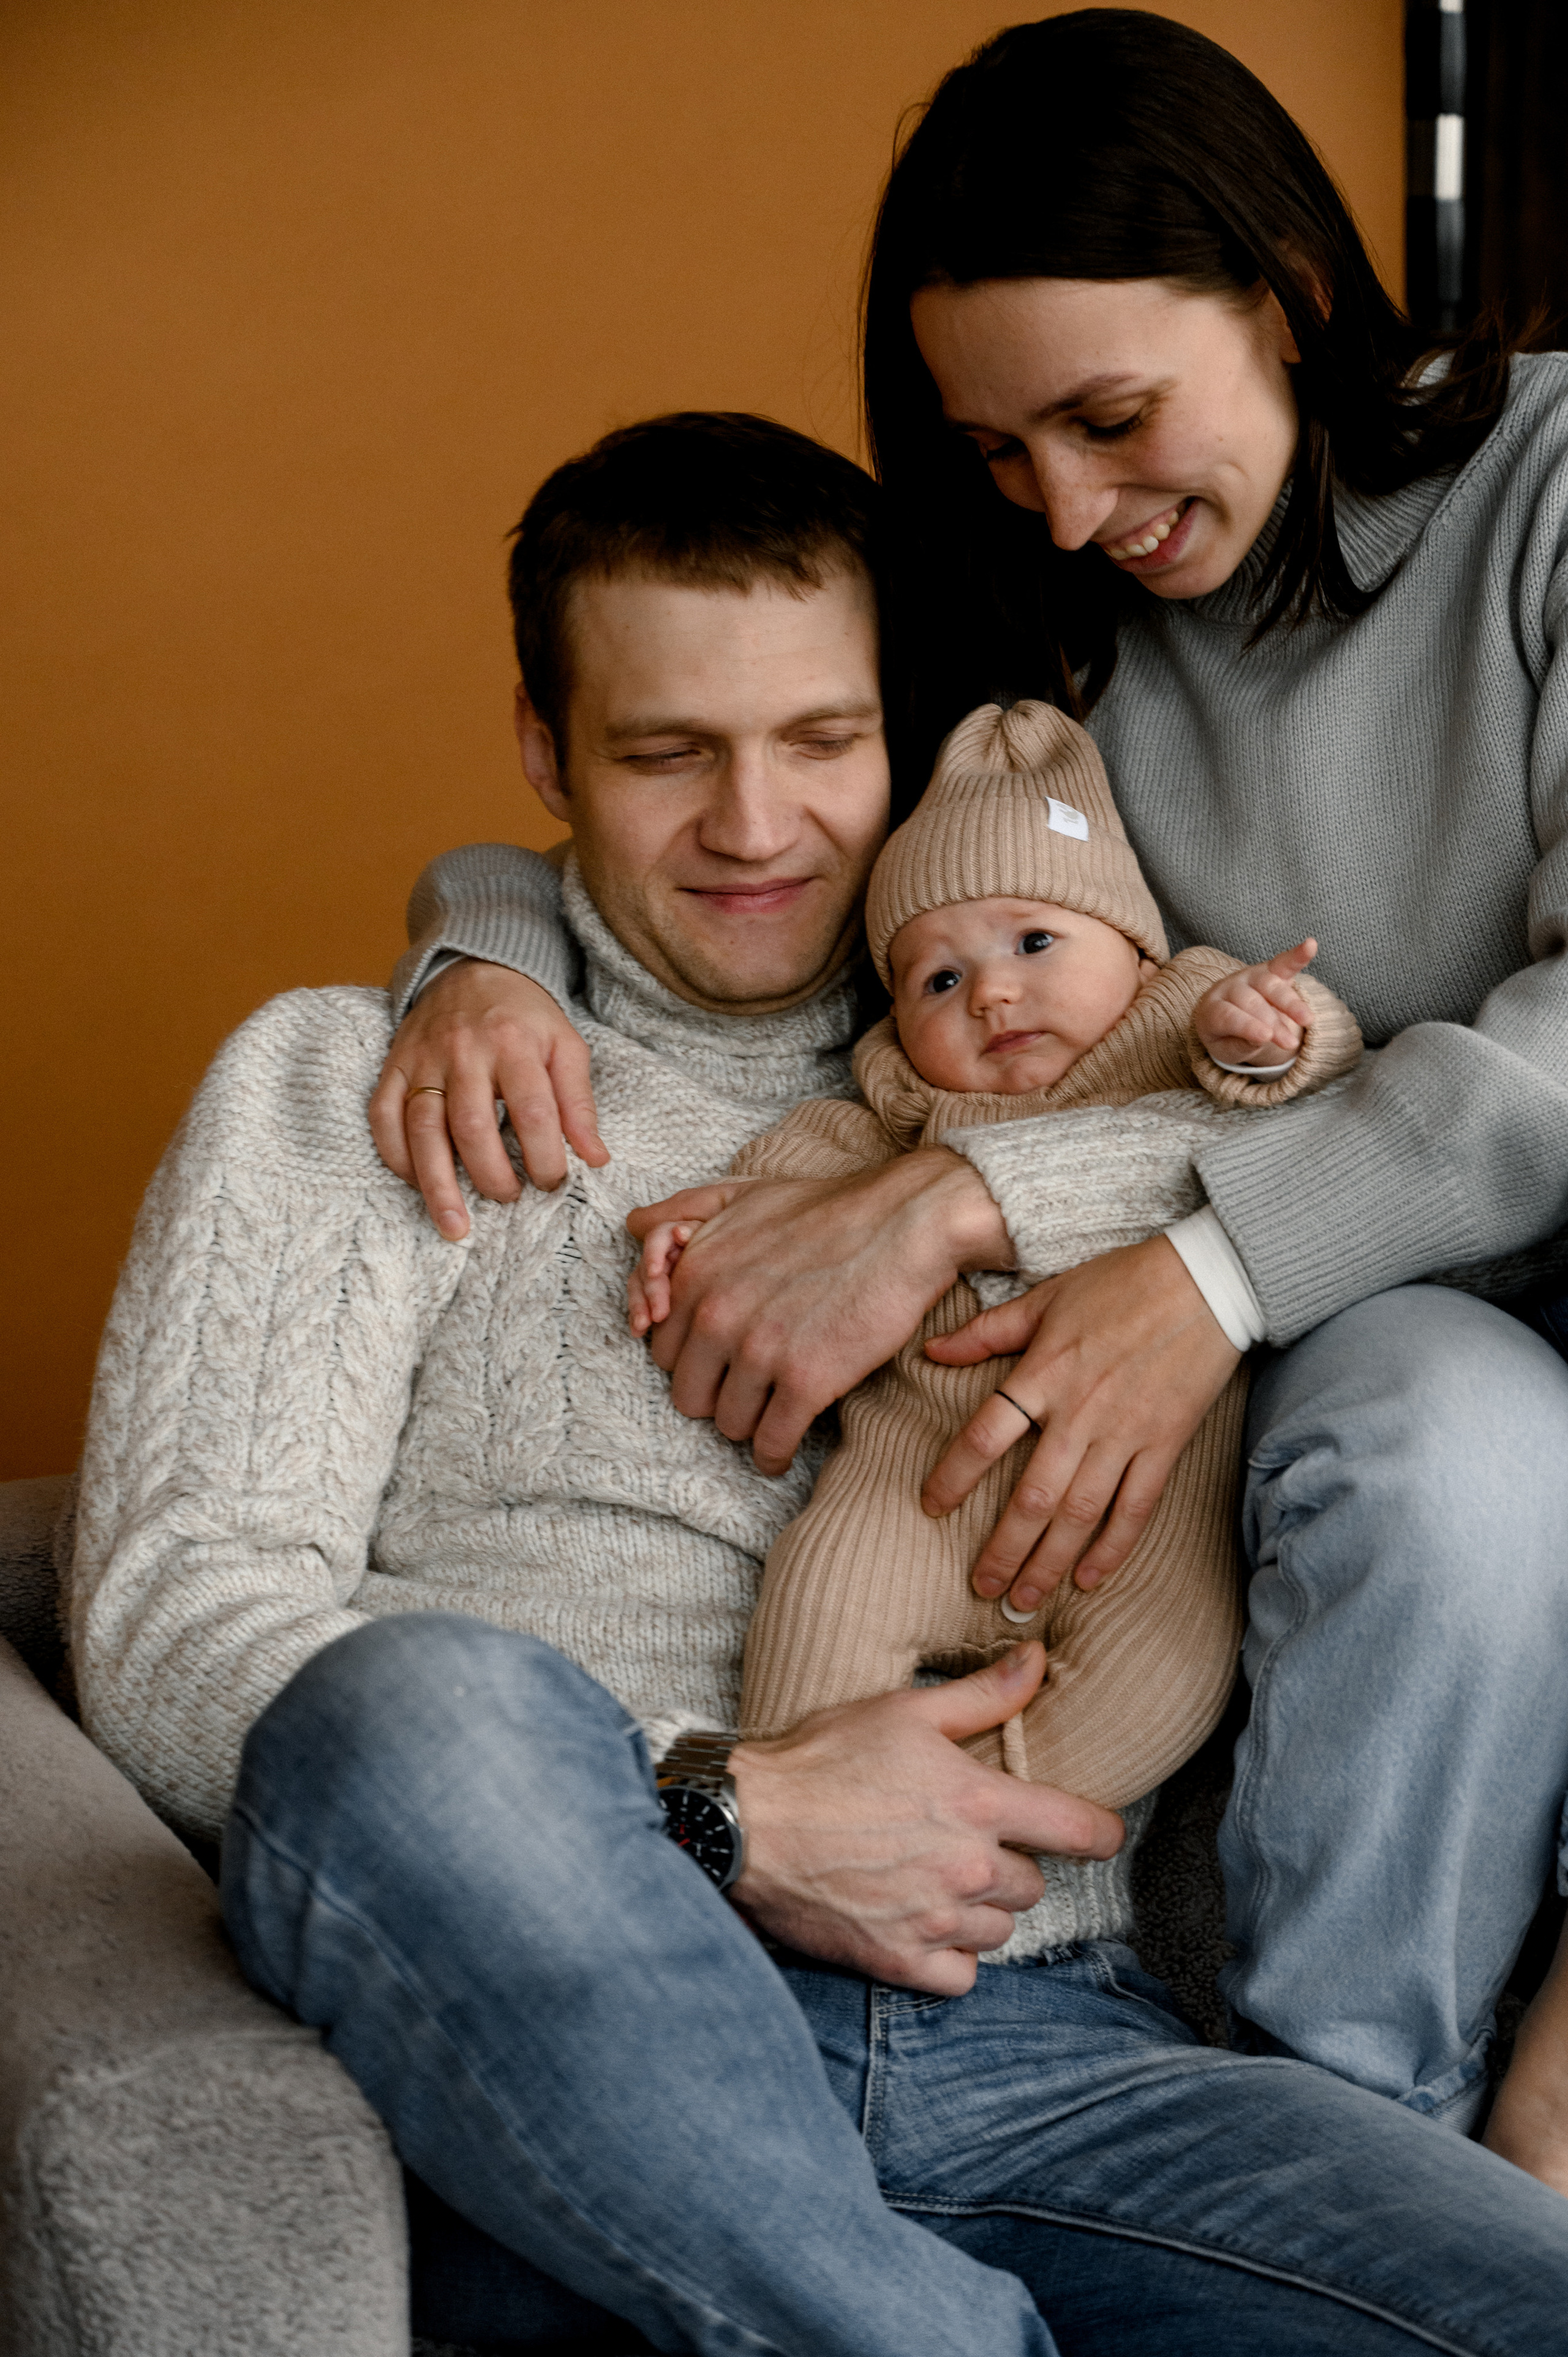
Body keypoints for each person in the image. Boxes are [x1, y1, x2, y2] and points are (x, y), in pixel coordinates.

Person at [72, 410, 1568, 2352]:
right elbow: (177, 1626)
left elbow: (1375, 1142)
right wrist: (718, 1808)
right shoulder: (363, 1087)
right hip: (588, 2021)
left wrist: (954, 1194)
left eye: (821, 745)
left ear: (905, 739)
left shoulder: (1076, 1043)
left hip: (1046, 2044)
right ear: (545, 753)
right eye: (665, 753)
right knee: (406, 1716)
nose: (755, 828)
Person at [373, 12, 1568, 2185]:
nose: (1076, 511)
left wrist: (1184, 1261)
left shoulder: (1553, 498)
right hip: (1365, 1378)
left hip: (1410, 1296)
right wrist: (476, 947)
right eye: (1002, 452)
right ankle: (1341, 2163)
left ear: (1290, 279)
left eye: (1112, 420)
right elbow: (724, 797)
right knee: (1444, 1430)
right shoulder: (1036, 625)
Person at [630, 695, 1360, 1816]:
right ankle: (831, 1811)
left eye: (1034, 942)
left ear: (1134, 947)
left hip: (1142, 1523)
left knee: (1161, 1685)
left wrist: (1271, 1034)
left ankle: (968, 1815)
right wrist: (716, 1223)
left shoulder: (1179, 1037)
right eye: (939, 979)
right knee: (816, 1606)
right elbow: (802, 1187)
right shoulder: (904, 1097)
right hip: (907, 1493)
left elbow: (1314, 1096)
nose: (995, 994)